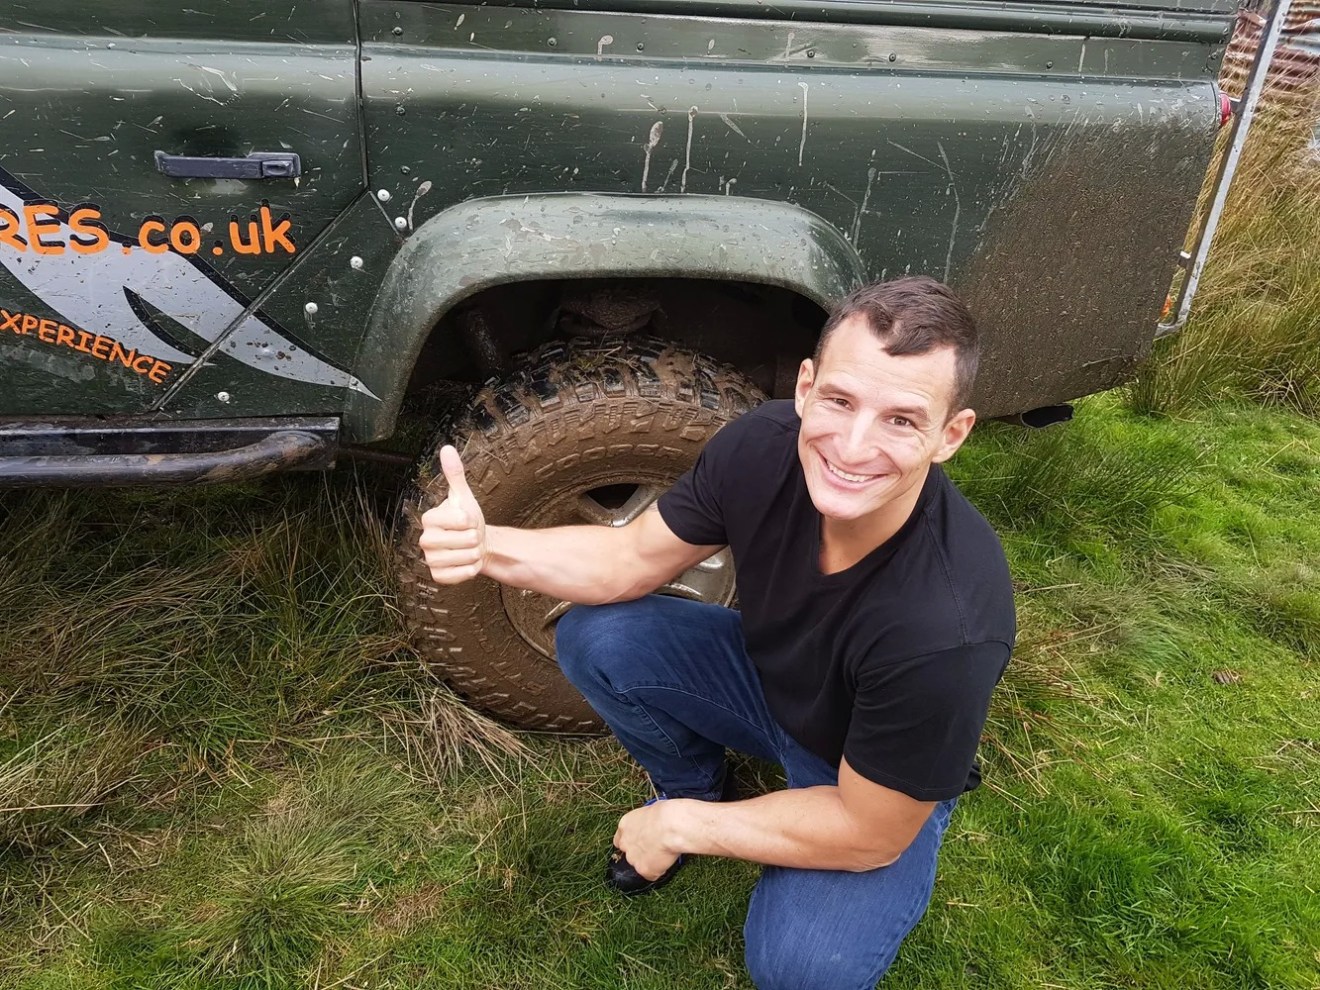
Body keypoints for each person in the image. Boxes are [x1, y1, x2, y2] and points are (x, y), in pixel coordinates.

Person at [418, 276, 1016, 989]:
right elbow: (630, 560)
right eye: (840, 400)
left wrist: (680, 827)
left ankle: (695, 809)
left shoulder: (945, 627)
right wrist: (489, 547)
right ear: (804, 388)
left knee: (802, 970)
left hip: (868, 773)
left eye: (901, 420)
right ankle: (697, 781)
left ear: (952, 435)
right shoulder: (760, 446)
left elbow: (867, 832)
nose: (854, 447)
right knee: (597, 637)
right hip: (770, 684)